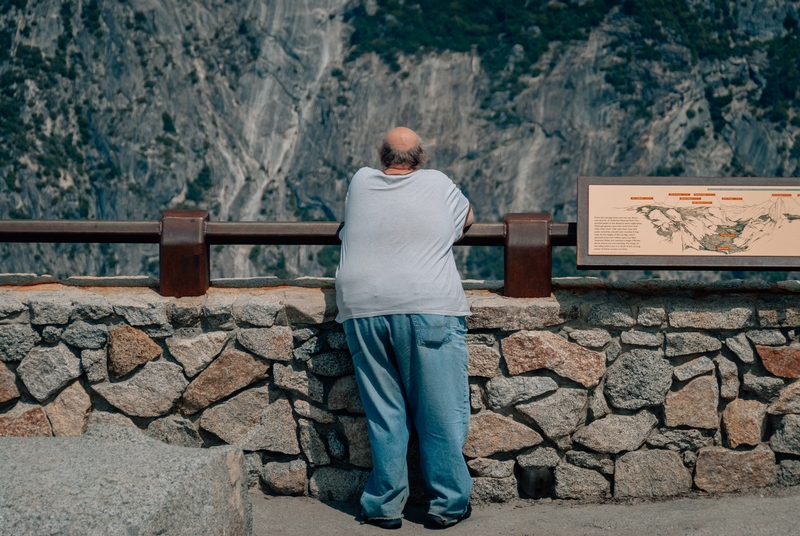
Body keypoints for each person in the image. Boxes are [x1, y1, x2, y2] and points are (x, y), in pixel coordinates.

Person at [335, 127, 475, 529]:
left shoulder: (360, 181)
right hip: (427, 305)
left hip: (362, 308)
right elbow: (467, 218)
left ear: (382, 157)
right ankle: (447, 504)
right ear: (421, 158)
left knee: (385, 412)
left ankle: (383, 506)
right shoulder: (437, 183)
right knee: (440, 412)